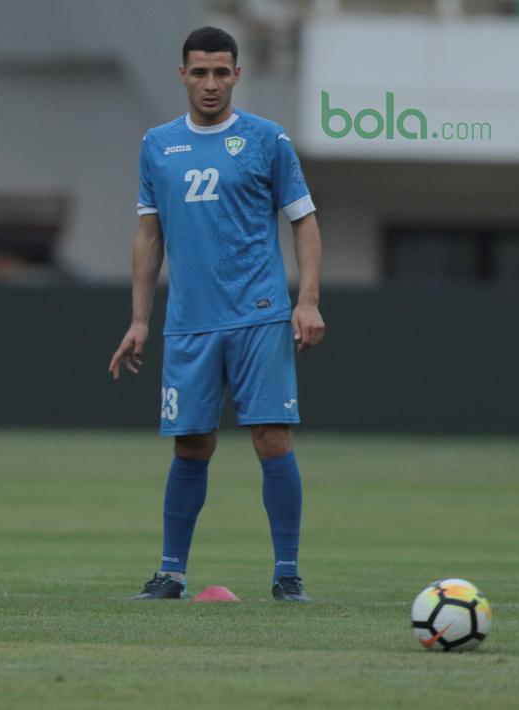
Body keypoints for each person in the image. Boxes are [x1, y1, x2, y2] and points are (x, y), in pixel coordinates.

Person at [108, 27, 325, 602]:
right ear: (182, 75)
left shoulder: (267, 139)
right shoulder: (158, 144)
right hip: (190, 323)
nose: (210, 84)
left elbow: (303, 219)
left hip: (258, 315)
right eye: (199, 72)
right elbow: (148, 235)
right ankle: (170, 574)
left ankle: (287, 574)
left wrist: (306, 301)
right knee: (191, 445)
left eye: (221, 72)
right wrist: (138, 320)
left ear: (237, 75)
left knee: (272, 439)